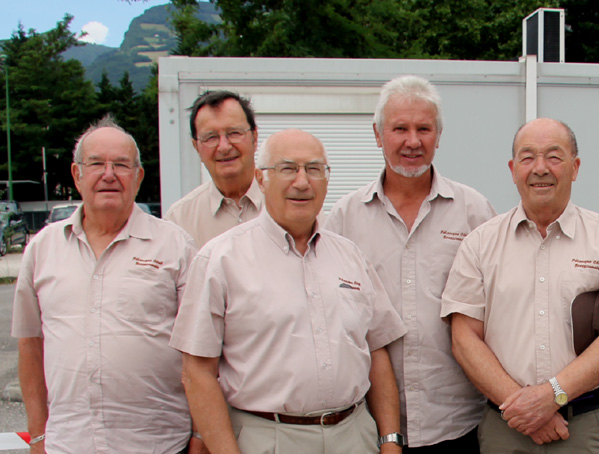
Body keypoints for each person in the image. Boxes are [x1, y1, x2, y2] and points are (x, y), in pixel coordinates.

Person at [171, 129, 408, 454]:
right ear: (261, 178)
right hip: (266, 438)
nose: (302, 182)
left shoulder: (351, 256)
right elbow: (197, 371)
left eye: (314, 169)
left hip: (354, 436)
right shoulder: (220, 259)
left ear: (327, 179)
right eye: (287, 168)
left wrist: (390, 441)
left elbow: (377, 350)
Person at [440, 118, 599, 453]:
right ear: (512, 168)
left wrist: (551, 396)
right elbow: (464, 339)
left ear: (575, 167)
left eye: (554, 156)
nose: (540, 169)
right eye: (527, 157)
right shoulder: (480, 244)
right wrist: (525, 408)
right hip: (507, 426)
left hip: (585, 426)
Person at [324, 75, 496, 453]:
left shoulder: (474, 212)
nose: (413, 141)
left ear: (439, 135)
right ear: (377, 133)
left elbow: (500, 309)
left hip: (458, 422)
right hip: (368, 425)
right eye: (399, 128)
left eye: (424, 128)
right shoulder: (344, 217)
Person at [12, 117, 202, 454]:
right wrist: (38, 436)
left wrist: (200, 435)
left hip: (159, 444)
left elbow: (202, 351)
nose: (109, 174)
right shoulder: (42, 248)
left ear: (138, 176)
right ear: (77, 174)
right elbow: (30, 346)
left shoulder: (175, 246)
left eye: (122, 165)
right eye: (97, 163)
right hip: (67, 444)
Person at [165, 90, 263, 246]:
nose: (224, 147)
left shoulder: (290, 202)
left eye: (234, 133)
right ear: (196, 146)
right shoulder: (180, 220)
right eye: (211, 137)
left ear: (254, 137)